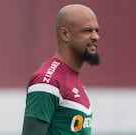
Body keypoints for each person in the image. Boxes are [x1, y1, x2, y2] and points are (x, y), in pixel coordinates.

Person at [22, 4, 100, 135]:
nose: (96, 37)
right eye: (87, 30)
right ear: (65, 34)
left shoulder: (71, 78)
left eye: (97, 31)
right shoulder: (47, 81)